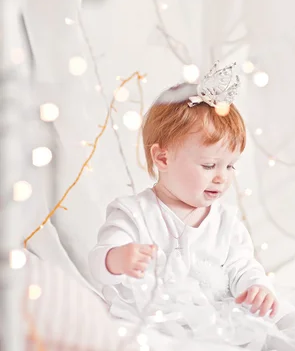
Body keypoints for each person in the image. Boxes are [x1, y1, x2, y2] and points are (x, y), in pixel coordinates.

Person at [89, 61, 278, 320]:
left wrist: (256, 287)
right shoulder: (134, 213)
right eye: (209, 165)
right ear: (163, 159)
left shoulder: (226, 222)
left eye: (231, 166)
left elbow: (242, 266)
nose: (222, 177)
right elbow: (98, 263)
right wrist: (116, 259)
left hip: (211, 323)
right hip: (149, 321)